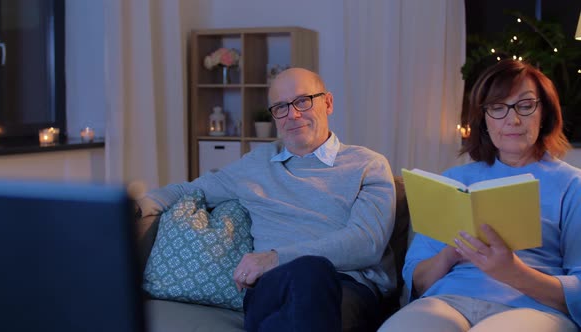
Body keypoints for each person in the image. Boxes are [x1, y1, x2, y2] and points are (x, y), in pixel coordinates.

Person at [138, 68, 397, 331]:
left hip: (346, 287)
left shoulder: (367, 165)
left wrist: (274, 258)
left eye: (302, 101)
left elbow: (367, 242)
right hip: (271, 288)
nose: (292, 115)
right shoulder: (255, 165)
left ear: (327, 103)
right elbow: (188, 191)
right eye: (280, 107)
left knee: (310, 272)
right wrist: (134, 207)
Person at [379, 59, 581, 331]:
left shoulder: (571, 184)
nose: (513, 119)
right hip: (449, 301)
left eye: (525, 105)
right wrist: (452, 254)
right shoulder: (454, 180)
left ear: (544, 113)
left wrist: (514, 272)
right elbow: (418, 280)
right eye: (497, 108)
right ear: (484, 119)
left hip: (532, 307)